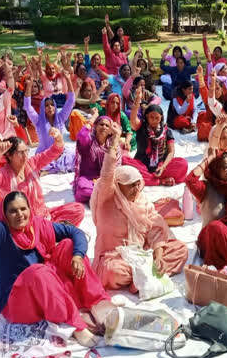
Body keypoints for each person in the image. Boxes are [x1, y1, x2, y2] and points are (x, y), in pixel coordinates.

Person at [0, 169, 112, 347]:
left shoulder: (37, 225)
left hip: (45, 287)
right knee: (37, 270)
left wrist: (78, 256)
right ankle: (77, 326)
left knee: (67, 246)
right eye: (12, 211)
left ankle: (96, 302)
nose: (19, 215)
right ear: (5, 215)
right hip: (18, 301)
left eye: (23, 209)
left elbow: (75, 232)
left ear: (30, 209)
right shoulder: (0, 236)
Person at [90, 132, 188, 291]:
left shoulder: (142, 202)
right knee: (113, 272)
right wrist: (114, 143)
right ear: (119, 185)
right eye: (131, 185)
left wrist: (158, 255)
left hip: (141, 255)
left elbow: (156, 229)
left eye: (138, 184)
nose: (136, 189)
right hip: (116, 258)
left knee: (181, 250)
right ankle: (144, 276)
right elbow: (107, 174)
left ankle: (144, 275)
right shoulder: (106, 200)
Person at [0, 128, 85, 226]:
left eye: (26, 151)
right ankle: (49, 233)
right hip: (22, 224)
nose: (25, 155)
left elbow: (54, 151)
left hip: (43, 215)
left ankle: (50, 231)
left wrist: (59, 138)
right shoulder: (3, 174)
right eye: (20, 152)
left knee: (78, 209)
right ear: (9, 155)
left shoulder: (32, 163)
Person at [124, 99, 188, 187]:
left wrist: (163, 167)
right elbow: (133, 120)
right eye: (151, 117)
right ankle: (160, 181)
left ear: (161, 117)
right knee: (125, 162)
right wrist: (136, 104)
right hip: (142, 165)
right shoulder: (141, 127)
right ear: (146, 116)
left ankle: (149, 178)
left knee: (183, 163)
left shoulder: (166, 131)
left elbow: (171, 152)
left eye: (157, 118)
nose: (154, 120)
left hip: (161, 166)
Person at [23, 71, 77, 173]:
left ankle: (52, 169)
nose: (50, 107)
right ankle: (51, 169)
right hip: (45, 154)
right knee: (38, 165)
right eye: (47, 105)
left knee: (74, 160)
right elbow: (27, 106)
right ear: (43, 108)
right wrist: (29, 86)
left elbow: (70, 101)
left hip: (60, 153)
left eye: (52, 105)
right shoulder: (38, 120)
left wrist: (68, 79)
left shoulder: (60, 118)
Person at [73, 116, 121, 204]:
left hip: (105, 178)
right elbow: (81, 135)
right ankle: (102, 196)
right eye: (101, 124)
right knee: (83, 189)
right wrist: (93, 119)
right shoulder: (89, 141)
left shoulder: (113, 144)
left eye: (107, 126)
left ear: (111, 130)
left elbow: (116, 165)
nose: (104, 127)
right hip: (88, 178)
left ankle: (99, 196)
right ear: (95, 126)